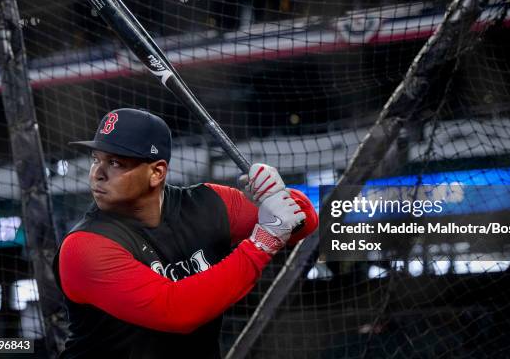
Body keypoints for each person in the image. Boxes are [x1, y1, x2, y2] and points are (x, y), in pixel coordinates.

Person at [52, 108, 318, 358]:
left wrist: (276, 193)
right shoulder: (84, 247)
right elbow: (176, 311)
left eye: (115, 163)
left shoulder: (208, 203)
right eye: (95, 159)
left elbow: (301, 222)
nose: (97, 174)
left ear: (156, 172)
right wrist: (263, 242)